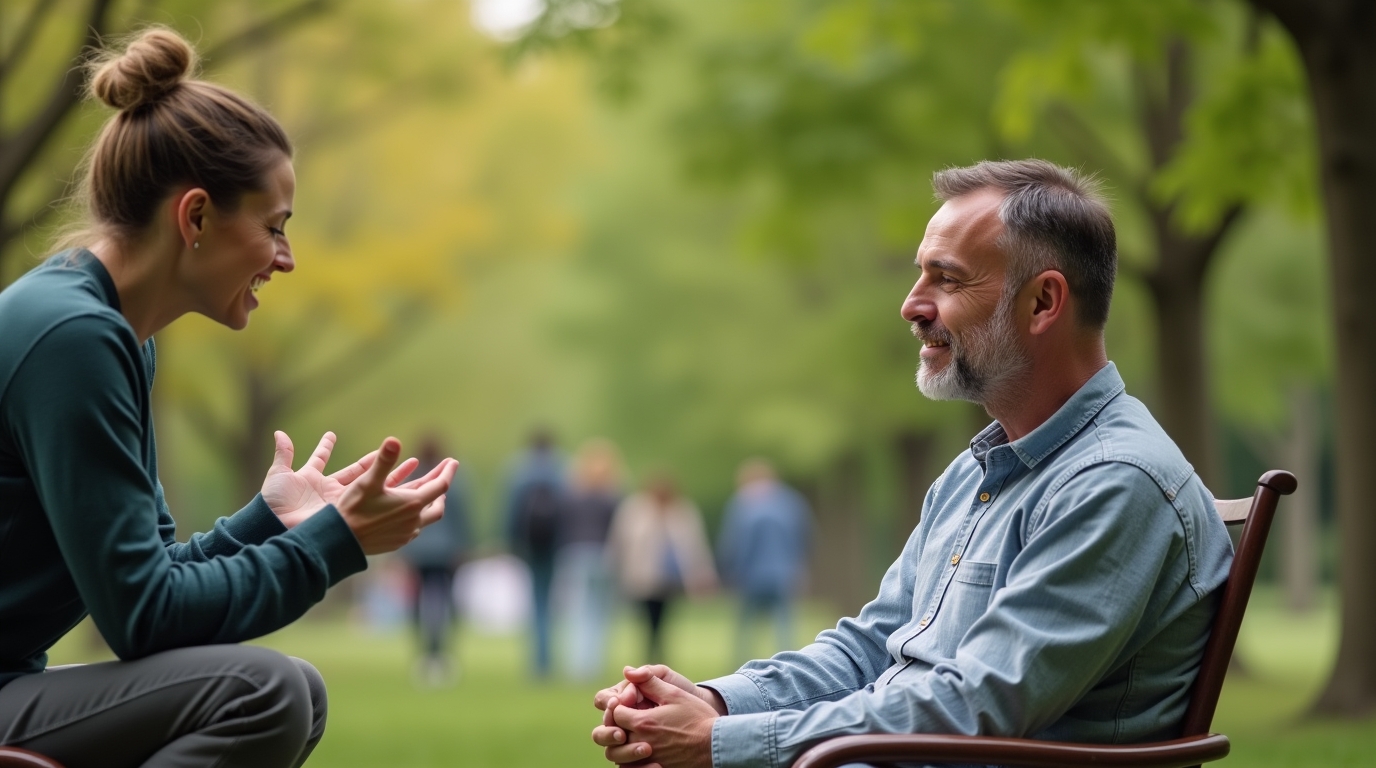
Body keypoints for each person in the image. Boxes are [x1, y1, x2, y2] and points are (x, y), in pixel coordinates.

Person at [590, 159, 1233, 768]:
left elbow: (977, 706)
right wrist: (718, 703)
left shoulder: (1115, 482)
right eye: (920, 274)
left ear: (1043, 303)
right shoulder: (979, 471)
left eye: (947, 279)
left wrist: (723, 745)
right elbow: (873, 646)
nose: (911, 303)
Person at [0, 28, 457, 768]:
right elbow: (144, 619)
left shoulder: (108, 333)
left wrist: (273, 521)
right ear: (197, 217)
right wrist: (332, 543)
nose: (287, 258)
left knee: (293, 693)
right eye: (275, 228)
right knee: (264, 691)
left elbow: (152, 582)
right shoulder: (72, 338)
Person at [605, 474, 717, 664]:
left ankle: (657, 654)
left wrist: (702, 573)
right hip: (642, 576)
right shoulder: (635, 510)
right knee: (646, 616)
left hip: (669, 578)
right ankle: (651, 653)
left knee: (663, 616)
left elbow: (694, 546)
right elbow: (621, 541)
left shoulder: (682, 512)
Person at [717, 459, 811, 664]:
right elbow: (804, 535)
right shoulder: (790, 502)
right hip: (784, 572)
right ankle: (788, 662)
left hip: (751, 573)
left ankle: (740, 662)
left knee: (746, 624)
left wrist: (730, 569)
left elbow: (735, 542)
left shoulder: (743, 503)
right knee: (784, 624)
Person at [397, 436, 473, 685]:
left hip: (418, 548)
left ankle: (425, 651)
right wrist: (464, 546)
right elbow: (462, 515)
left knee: (418, 604)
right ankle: (441, 651)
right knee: (446, 602)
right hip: (447, 552)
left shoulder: (413, 478)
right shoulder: (453, 476)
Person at [559, 439, 626, 681]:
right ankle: (593, 662)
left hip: (575, 554)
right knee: (599, 613)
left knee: (578, 612)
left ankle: (579, 665)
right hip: (602, 555)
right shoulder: (612, 497)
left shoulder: (571, 495)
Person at [504, 427, 567, 678]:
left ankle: (538, 661)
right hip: (554, 544)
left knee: (535, 601)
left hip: (529, 544)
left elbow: (510, 511)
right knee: (551, 602)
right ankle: (548, 658)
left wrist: (511, 542)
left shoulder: (519, 471)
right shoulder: (562, 469)